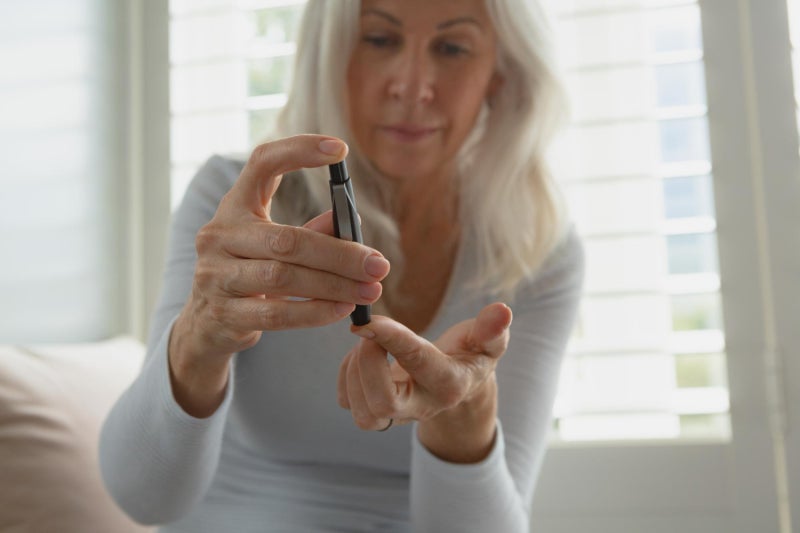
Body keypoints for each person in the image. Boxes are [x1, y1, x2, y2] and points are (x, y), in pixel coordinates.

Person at [99, 0, 584, 531]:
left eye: (451, 48)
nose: (412, 85)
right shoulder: (236, 206)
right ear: (328, 54)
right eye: (379, 40)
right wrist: (198, 335)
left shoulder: (537, 252)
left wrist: (462, 417)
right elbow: (141, 499)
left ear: (501, 74)